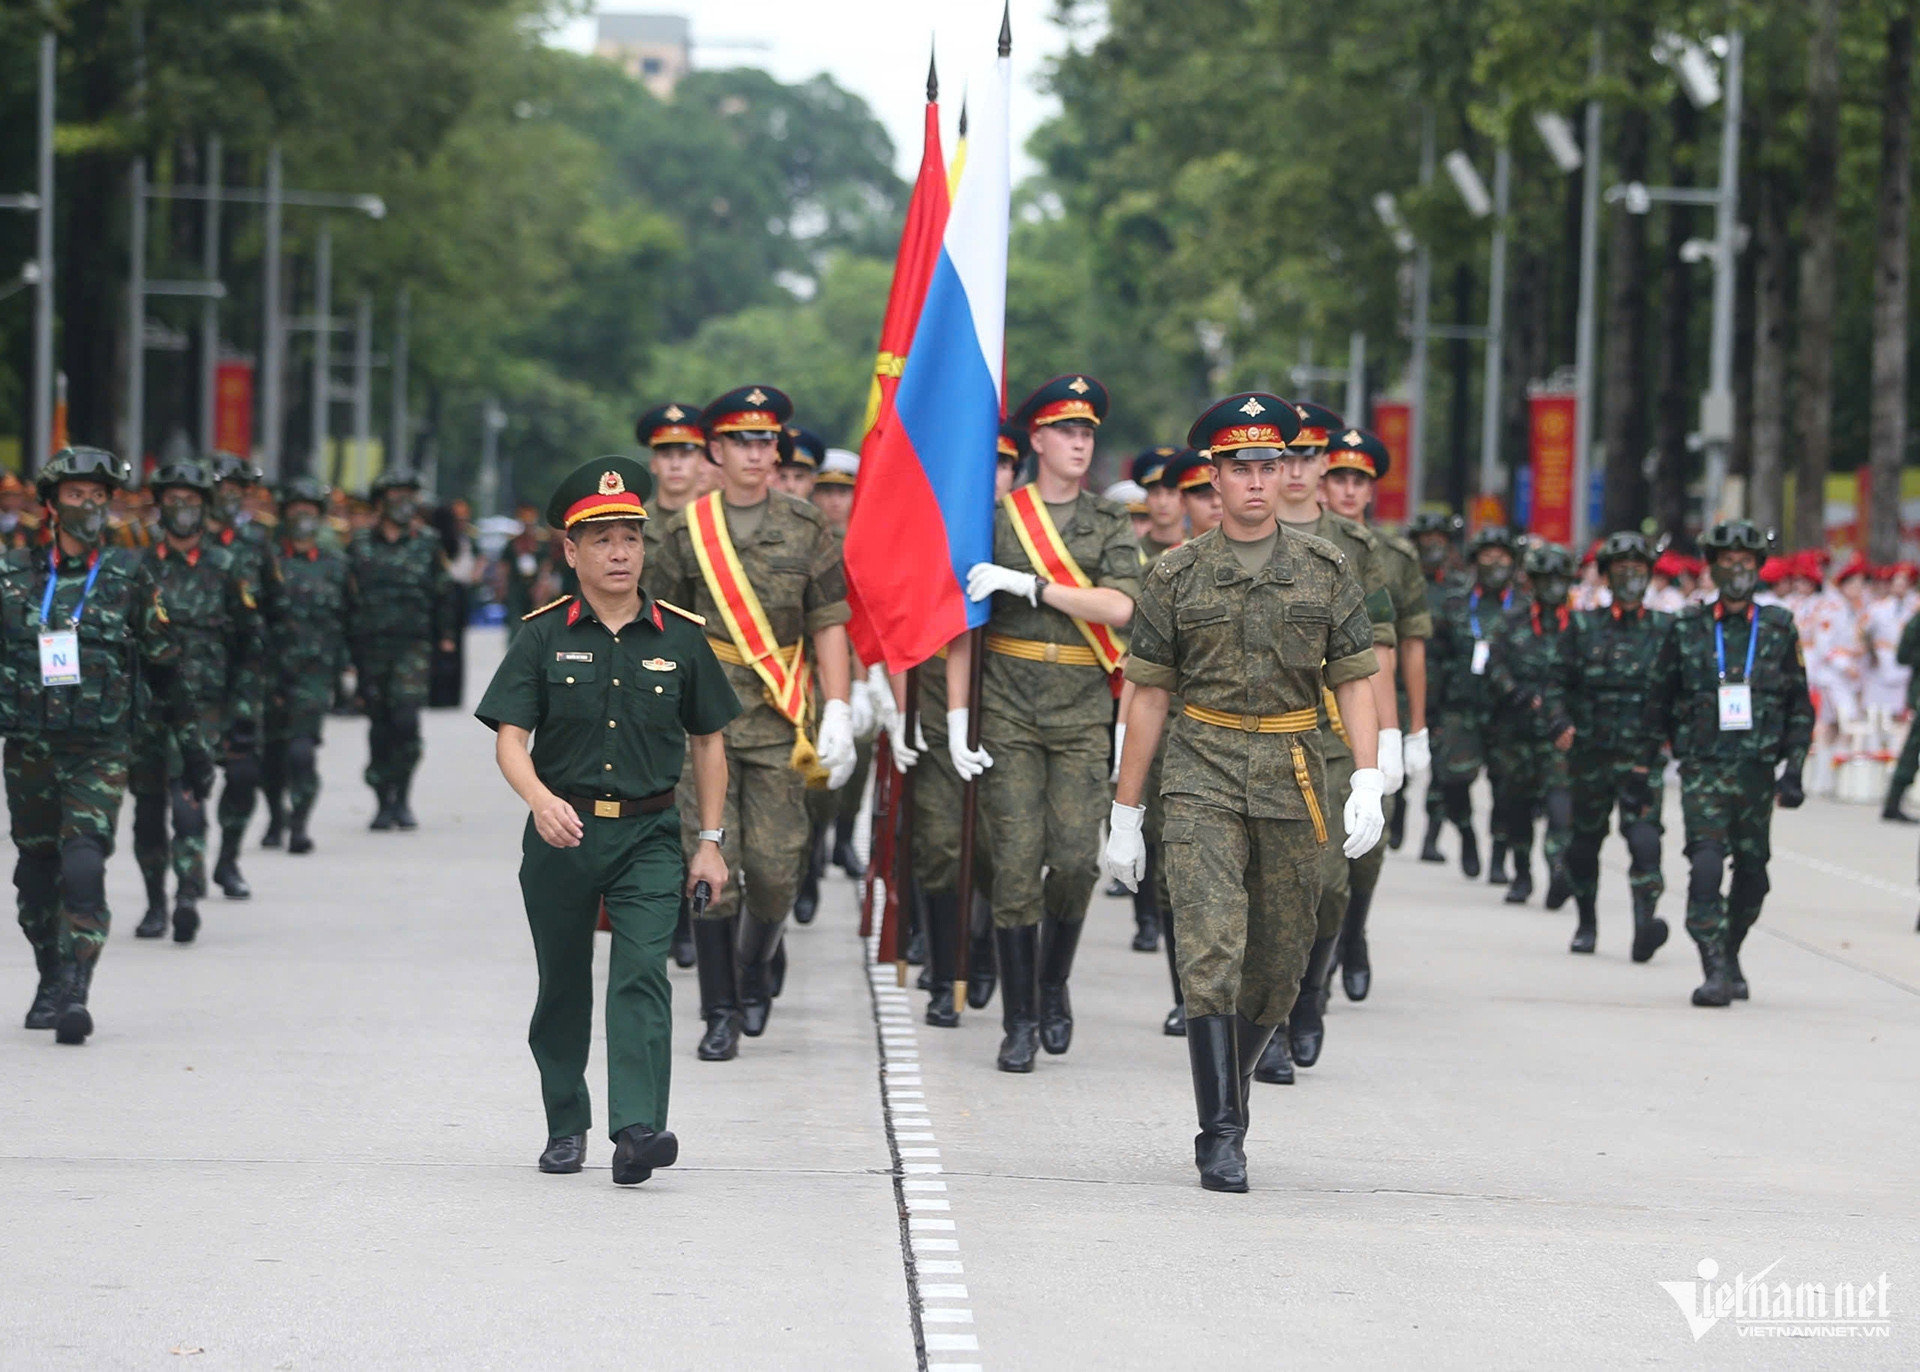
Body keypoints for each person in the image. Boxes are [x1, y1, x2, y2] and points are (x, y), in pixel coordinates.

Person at [1103, 392, 1382, 1192]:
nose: (1258, 481)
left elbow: (1356, 680)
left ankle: (1234, 1086)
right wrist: (1127, 812)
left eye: (1269, 465)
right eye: (1240, 468)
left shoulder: (1327, 570)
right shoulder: (1175, 575)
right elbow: (1148, 694)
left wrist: (1366, 776)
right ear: (1214, 479)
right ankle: (1220, 1131)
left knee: (1280, 964)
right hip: (1201, 770)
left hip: (1295, 767)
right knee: (1212, 949)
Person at [476, 454, 737, 1183]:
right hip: (563, 834)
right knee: (562, 984)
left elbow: (710, 740)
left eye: (631, 537)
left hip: (650, 835)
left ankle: (637, 1130)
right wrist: (539, 800)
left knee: (642, 975)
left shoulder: (681, 636)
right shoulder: (541, 635)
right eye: (602, 540)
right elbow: (509, 738)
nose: (620, 553)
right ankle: (566, 1125)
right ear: (571, 550)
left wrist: (710, 843)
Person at [645, 385, 857, 1060]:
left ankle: (758, 961)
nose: (758, 452)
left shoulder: (806, 526)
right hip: (702, 724)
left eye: (767, 440)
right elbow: (661, 630)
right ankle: (720, 1009)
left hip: (780, 716)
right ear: (717, 450)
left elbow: (828, 623)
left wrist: (841, 708)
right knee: (713, 865)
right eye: (743, 440)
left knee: (774, 869)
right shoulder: (685, 532)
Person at [945, 374, 1139, 1073]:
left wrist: (1030, 585)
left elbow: (1122, 608)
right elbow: (963, 625)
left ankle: (1054, 980)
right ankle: (1021, 1016)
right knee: (1018, 863)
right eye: (1067, 432)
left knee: (1077, 859)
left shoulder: (1109, 522)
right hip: (1009, 706)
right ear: (1038, 440)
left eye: (1088, 433)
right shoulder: (996, 518)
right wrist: (958, 716)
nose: (1081, 444)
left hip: (1083, 705)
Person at [7, 447, 196, 1042]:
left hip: (101, 746)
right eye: (76, 495)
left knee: (84, 861)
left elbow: (165, 665)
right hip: (30, 746)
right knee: (37, 875)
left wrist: (193, 744)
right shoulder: (11, 577)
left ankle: (74, 989)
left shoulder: (126, 574)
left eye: (98, 496)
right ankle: (48, 971)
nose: (89, 506)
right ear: (50, 505)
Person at [1248, 402, 1399, 1084]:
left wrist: (1388, 743)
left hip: (1336, 736)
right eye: (1292, 457)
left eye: (1314, 457)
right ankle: (1271, 1026)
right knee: (1270, 888)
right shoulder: (1250, 534)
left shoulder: (1357, 548)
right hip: (1266, 733)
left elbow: (1377, 654)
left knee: (1331, 885)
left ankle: (1310, 997)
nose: (1302, 471)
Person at [1644, 520, 1813, 1006]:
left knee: (1754, 875)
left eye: (1746, 562)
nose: (1737, 571)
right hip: (1704, 768)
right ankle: (1713, 966)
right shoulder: (1687, 626)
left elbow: (1800, 707)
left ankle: (1731, 947)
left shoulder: (1779, 628)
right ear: (1712, 568)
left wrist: (1795, 769)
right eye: (1727, 562)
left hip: (1757, 772)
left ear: (1759, 568)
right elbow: (1660, 697)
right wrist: (1644, 764)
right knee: (1705, 866)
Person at [909, 423, 1022, 1026]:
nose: (993, 477)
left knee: (1001, 846)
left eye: (1004, 466)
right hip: (935, 693)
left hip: (1012, 699)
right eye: (985, 465)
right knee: (941, 844)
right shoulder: (939, 525)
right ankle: (943, 967)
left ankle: (981, 949)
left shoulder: (1032, 536)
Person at [130, 460, 263, 943]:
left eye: (191, 501)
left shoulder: (227, 568)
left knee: (188, 803)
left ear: (205, 509)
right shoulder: (137, 567)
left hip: (203, 708)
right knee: (147, 810)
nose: (182, 509)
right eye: (173, 501)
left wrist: (244, 711)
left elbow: (251, 644)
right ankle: (154, 903)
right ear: (160, 507)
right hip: (145, 709)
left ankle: (188, 894)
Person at [1318, 427, 1429, 1002]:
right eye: (1338, 476)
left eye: (1358, 480)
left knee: (1367, 847)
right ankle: (1325, 957)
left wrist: (1407, 734)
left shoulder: (1391, 556)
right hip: (1311, 712)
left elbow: (1402, 645)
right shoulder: (1300, 541)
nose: (1346, 489)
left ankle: (1353, 933)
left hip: (1366, 710)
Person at [1556, 532, 1675, 958]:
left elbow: (1680, 691)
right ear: (1606, 577)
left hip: (1642, 760)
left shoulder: (1666, 630)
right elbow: (1557, 682)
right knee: (1584, 844)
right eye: (1621, 571)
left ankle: (1645, 926)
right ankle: (1586, 922)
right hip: (1591, 755)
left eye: (1639, 572)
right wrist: (1559, 722)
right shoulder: (1583, 626)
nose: (1631, 579)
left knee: (1645, 842)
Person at [636, 400, 711, 967]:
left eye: (687, 451)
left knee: (696, 800)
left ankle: (693, 910)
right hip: (641, 680)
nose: (677, 464)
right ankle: (669, 913)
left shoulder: (717, 522)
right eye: (667, 453)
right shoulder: (630, 523)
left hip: (706, 678)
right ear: (653, 460)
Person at [347, 470, 457, 831]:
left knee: (406, 720)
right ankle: (382, 799)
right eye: (395, 496)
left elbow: (443, 591)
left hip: (413, 645)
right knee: (380, 724)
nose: (403, 503)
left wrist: (446, 636)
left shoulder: (428, 542)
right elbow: (347, 597)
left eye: (409, 496)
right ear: (380, 503)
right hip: (371, 645)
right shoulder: (360, 543)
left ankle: (404, 796)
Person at [1428, 527, 1529, 878]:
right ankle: (1466, 832)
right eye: (1488, 556)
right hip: (1461, 707)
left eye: (1502, 557)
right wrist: (1432, 710)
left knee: (1507, 787)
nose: (1495, 563)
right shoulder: (1455, 603)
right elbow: (1436, 658)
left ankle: (1499, 855)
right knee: (1453, 780)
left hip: (1506, 713)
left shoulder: (1523, 607)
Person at [204, 452, 282, 900]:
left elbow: (276, 604)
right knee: (176, 783)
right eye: (221, 486)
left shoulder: (256, 542)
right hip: (189, 679)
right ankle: (182, 867)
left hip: (243, 680)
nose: (229, 495)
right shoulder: (177, 541)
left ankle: (228, 857)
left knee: (242, 773)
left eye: (238, 488)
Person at [260, 477, 351, 854]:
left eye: (310, 511)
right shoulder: (267, 562)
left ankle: (299, 822)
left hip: (314, 672)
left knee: (301, 751)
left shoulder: (336, 565)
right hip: (269, 671)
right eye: (295, 509)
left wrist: (347, 669)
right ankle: (275, 816)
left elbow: (349, 617)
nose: (303, 517)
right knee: (271, 753)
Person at [1484, 542, 1575, 906]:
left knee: (1560, 808)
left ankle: (1557, 870)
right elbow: (1494, 665)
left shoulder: (1580, 625)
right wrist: (1514, 692)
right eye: (1545, 579)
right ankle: (1521, 873)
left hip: (1559, 735)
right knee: (1517, 806)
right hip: (1517, 731)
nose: (1553, 586)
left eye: (1559, 579)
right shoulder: (1512, 620)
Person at [1409, 512, 1465, 862]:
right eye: (1425, 539)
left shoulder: (1458, 589)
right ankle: (1395, 816)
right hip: (1402, 687)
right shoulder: (1403, 582)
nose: (1432, 546)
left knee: (1444, 769)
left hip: (1444, 690)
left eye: (1439, 540)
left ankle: (1431, 836)